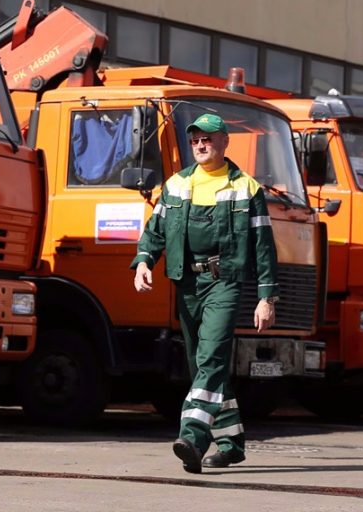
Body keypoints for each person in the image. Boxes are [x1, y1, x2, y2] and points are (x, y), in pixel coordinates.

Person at [130, 112, 278, 474]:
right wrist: (144, 260)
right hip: (188, 284)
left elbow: (264, 246)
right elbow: (156, 229)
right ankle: (230, 445)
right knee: (203, 366)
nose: (201, 144)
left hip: (224, 282)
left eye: (208, 138)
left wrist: (266, 297)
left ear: (225, 142)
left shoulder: (246, 187)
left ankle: (193, 437)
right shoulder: (177, 185)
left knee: (210, 359)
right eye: (195, 139)